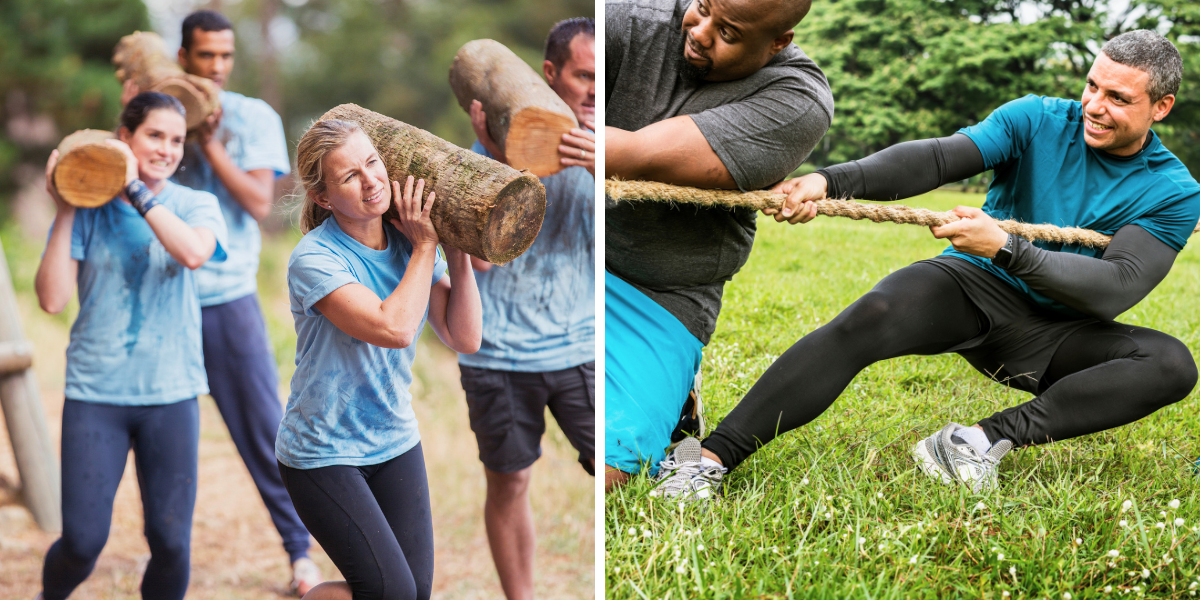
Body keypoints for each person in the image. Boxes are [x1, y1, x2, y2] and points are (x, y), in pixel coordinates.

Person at [655, 29, 1200, 501]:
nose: (1095, 106)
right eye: (1091, 86)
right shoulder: (1036, 119)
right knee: (873, 314)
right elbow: (940, 158)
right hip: (974, 286)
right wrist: (830, 180)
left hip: (1059, 329)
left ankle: (975, 442)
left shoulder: (1172, 190)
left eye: (1118, 98)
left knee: (1169, 363)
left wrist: (1009, 247)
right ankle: (709, 459)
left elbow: (1116, 288)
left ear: (1161, 106)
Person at [121, 10, 319, 592]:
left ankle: (300, 554)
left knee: (264, 431)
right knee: (147, 431)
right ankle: (158, 556)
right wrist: (133, 113)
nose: (216, 67)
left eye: (225, 56)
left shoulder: (254, 117)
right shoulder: (158, 117)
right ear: (183, 57)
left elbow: (261, 202)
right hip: (158, 299)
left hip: (224, 299)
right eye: (205, 56)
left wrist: (211, 144)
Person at [603, 0, 834, 491]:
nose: (700, 31)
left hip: (659, 292)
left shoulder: (796, 99)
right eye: (701, 5)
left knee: (607, 473)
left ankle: (675, 396)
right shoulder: (627, 20)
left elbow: (636, 154)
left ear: (778, 42)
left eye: (727, 31)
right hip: (575, 255)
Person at [276, 119, 482, 600]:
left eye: (373, 163)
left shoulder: (409, 244)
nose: (371, 181)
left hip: (393, 440)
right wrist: (428, 247)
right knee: (391, 594)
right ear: (323, 196)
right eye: (350, 176)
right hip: (323, 452)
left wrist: (458, 250)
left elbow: (464, 335)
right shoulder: (316, 259)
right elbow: (394, 328)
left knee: (415, 594)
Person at [33, 92, 228, 600]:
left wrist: (135, 188)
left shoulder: (195, 204)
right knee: (81, 542)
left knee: (169, 543)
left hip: (171, 395)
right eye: (154, 136)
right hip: (96, 394)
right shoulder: (89, 213)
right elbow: (52, 300)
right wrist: (68, 205)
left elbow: (190, 253)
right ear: (125, 138)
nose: (166, 149)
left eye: (176, 140)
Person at [459, 17, 595, 600]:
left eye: (602, 78)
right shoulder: (482, 152)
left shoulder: (616, 146)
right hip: (500, 351)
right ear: (549, 74)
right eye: (583, 76)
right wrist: (496, 155)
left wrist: (602, 163)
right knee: (509, 481)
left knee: (624, 466)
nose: (593, 90)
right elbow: (482, 263)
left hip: (584, 344)